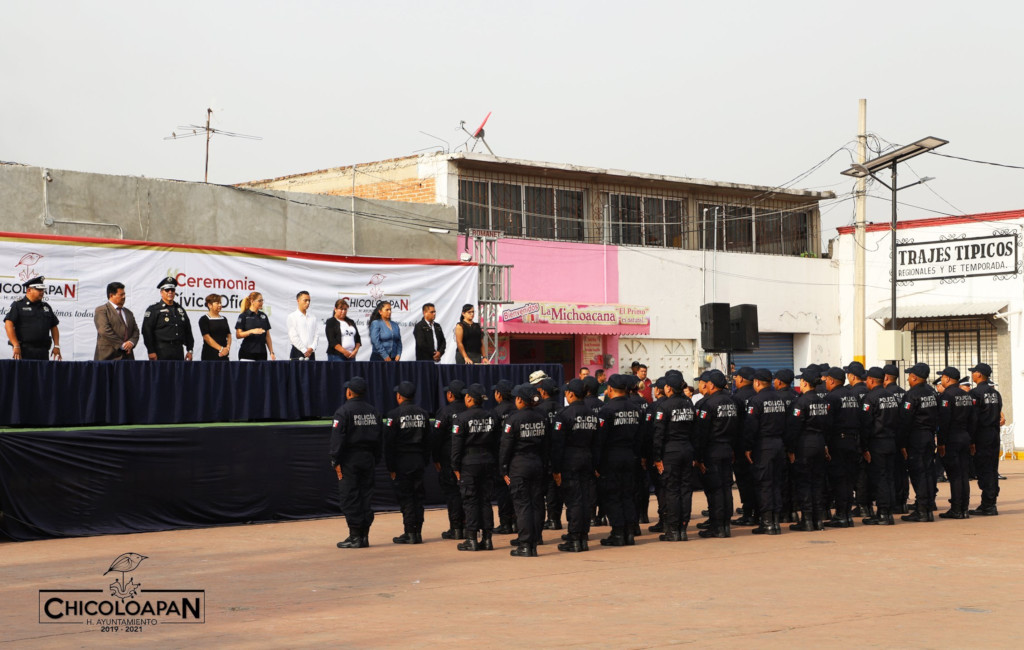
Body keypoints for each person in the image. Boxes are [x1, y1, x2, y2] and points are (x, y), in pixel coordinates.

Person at [331, 376, 383, 548]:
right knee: (365, 496)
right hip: (368, 458)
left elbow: (337, 439)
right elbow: (379, 438)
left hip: (349, 460)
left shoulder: (343, 411)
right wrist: (375, 458)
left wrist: (335, 461)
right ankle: (363, 535)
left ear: (349, 392)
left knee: (350, 497)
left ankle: (355, 536)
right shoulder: (374, 411)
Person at [500, 383, 549, 557]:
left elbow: (506, 447)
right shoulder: (542, 417)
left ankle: (525, 544)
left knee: (522, 505)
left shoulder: (513, 419)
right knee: (536, 504)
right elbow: (547, 444)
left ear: (520, 400)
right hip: (537, 464)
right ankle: (534, 540)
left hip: (519, 466)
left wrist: (503, 469)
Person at [595, 374, 644, 547]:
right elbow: (640, 437)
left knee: (613, 495)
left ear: (609, 389)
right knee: (628, 494)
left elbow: (600, 439)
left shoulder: (606, 410)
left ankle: (617, 533)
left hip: (611, 457)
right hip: (630, 456)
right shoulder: (636, 409)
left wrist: (597, 463)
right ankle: (629, 532)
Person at [552, 379, 600, 552]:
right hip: (587, 458)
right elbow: (597, 443)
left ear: (571, 394)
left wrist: (556, 469)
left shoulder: (564, 415)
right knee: (586, 499)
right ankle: (583, 537)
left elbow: (557, 445)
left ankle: (574, 538)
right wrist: (596, 464)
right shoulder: (592, 415)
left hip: (570, 460)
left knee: (574, 501)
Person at [743, 368, 791, 535]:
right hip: (779, 444)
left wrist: (747, 447)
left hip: (763, 446)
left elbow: (750, 427)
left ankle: (767, 522)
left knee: (764, 484)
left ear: (756, 382)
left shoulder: (755, 401)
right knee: (776, 483)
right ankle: (776, 521)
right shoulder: (780, 399)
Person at [451, 384, 498, 551]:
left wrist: (455, 466)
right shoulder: (492, 416)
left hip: (469, 463)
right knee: (485, 500)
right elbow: (497, 442)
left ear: (469, 398)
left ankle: (471, 538)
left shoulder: (462, 418)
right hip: (488, 461)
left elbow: (456, 445)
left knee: (470, 501)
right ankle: (487, 539)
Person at [384, 381, 431, 544]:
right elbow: (427, 440)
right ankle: (417, 531)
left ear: (399, 396)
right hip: (418, 460)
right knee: (418, 496)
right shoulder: (423, 413)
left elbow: (388, 443)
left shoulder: (394, 415)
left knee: (406, 497)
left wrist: (390, 466)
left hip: (402, 461)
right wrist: (425, 460)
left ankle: (410, 532)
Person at [652, 374, 697, 541]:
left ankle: (672, 530)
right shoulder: (689, 405)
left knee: (672, 491)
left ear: (668, 388)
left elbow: (658, 434)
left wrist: (657, 458)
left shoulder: (664, 406)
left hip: (671, 452)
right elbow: (695, 431)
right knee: (685, 490)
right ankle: (683, 528)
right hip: (687, 450)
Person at [695, 370, 739, 539]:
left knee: (715, 490)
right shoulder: (732, 402)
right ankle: (725, 525)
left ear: (711, 385)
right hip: (727, 448)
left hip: (712, 450)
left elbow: (702, 433)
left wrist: (699, 457)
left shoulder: (708, 404)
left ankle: (717, 526)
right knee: (726, 488)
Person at [786, 367, 832, 531]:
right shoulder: (822, 401)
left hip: (805, 445)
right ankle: (818, 520)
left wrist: (790, 449)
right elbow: (827, 425)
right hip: (819, 443)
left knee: (804, 482)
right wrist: (825, 445)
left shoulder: (801, 402)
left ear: (804, 382)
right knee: (818, 482)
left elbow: (794, 428)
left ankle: (807, 520)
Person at [860, 367, 901, 526]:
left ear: (870, 380)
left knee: (880, 478)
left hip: (877, 443)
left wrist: (864, 448)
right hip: (891, 441)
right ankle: (888, 511)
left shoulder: (870, 398)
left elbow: (866, 424)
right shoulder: (891, 397)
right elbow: (898, 421)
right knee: (889, 477)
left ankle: (883, 513)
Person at [899, 364, 939, 522]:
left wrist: (902, 443)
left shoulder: (911, 395)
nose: (908, 378)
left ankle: (922, 510)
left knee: (918, 473)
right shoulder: (932, 392)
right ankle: (927, 506)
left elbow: (905, 420)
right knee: (929, 472)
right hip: (929, 435)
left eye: (909, 375)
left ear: (914, 377)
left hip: (916, 437)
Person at [822, 366, 860, 528]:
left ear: (831, 380)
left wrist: (825, 444)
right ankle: (846, 514)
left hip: (838, 442)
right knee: (849, 480)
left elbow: (827, 423)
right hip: (853, 441)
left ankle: (840, 515)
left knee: (838, 479)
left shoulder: (832, 397)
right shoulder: (853, 395)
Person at [967, 363, 1004, 516]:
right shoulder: (995, 393)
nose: (972, 374)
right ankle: (989, 502)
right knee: (992, 468)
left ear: (980, 375)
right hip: (994, 434)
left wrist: (972, 440)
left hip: (981, 435)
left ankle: (988, 505)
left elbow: (973, 418)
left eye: (974, 372)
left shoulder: (975, 393)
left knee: (984, 469)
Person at [937, 367, 973, 519]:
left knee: (955, 475)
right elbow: (973, 419)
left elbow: (944, 421)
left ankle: (957, 508)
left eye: (943, 377)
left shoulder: (947, 396)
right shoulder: (966, 395)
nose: (941, 380)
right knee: (964, 474)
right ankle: (964, 507)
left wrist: (941, 442)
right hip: (965, 437)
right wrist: (972, 440)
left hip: (952, 439)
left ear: (948, 379)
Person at [432, 380, 467, 539]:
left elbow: (437, 438)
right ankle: (469, 527)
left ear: (450, 394)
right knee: (468, 493)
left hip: (449, 459)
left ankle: (456, 528)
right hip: (467, 458)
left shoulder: (445, 412)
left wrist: (436, 458)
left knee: (453, 494)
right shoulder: (470, 409)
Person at [5, 276, 61, 360]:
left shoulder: (46, 307)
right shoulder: (18, 305)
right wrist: (16, 345)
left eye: (43, 290)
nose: (42, 292)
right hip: (24, 351)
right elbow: (8, 325)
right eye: (39, 290)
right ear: (29, 290)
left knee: (43, 373)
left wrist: (56, 345)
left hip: (43, 351)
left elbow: (54, 326)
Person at [141, 276, 193, 360]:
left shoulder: (180, 309)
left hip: (178, 350)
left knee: (178, 373)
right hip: (161, 350)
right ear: (161, 292)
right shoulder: (154, 309)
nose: (170, 292)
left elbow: (188, 330)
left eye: (172, 290)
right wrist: (151, 351)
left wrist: (190, 350)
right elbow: (146, 331)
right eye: (167, 290)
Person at [93, 281, 139, 361]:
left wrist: (131, 342)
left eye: (124, 294)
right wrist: (122, 345)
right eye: (121, 294)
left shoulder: (128, 313)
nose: (124, 297)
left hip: (127, 358)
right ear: (111, 295)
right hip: (107, 358)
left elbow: (136, 331)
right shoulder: (101, 310)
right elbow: (104, 331)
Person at [235, 291, 275, 361]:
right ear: (252, 301)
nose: (262, 303)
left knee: (262, 372)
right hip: (247, 352)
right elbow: (238, 335)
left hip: (262, 353)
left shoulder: (263, 316)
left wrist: (271, 352)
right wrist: (252, 331)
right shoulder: (244, 316)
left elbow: (267, 336)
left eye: (262, 300)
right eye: (259, 301)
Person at [286, 291, 319, 361]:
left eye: (309, 300)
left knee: (312, 372)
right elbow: (293, 336)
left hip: (311, 353)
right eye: (305, 300)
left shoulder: (313, 317)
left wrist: (312, 347)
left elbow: (316, 335)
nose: (308, 303)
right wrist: (304, 350)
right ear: (298, 300)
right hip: (297, 352)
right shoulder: (292, 316)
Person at [198, 293, 231, 361]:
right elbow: (207, 338)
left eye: (220, 303)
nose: (220, 305)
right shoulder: (204, 319)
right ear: (210, 305)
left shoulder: (224, 319)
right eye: (217, 303)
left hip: (223, 355)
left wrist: (227, 348)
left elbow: (229, 334)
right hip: (210, 355)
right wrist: (221, 349)